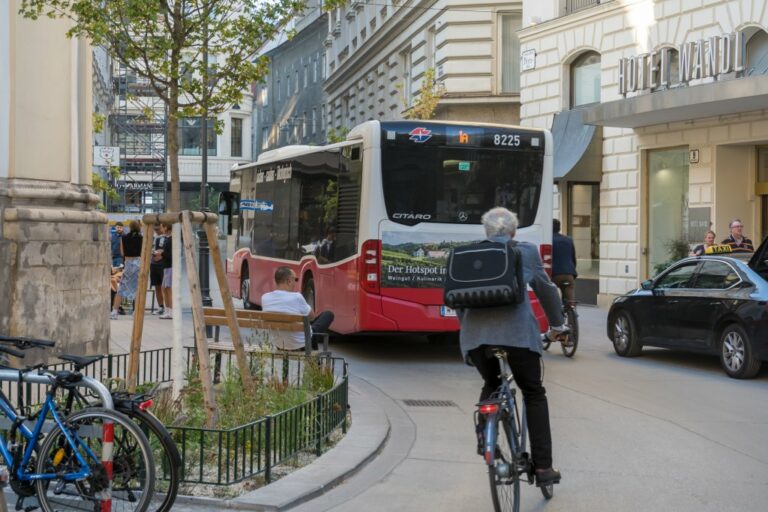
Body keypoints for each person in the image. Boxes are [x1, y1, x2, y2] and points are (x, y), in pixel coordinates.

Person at [458, 207, 566, 487]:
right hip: (518, 338)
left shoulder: (468, 253)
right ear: (514, 232)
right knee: (533, 393)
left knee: (491, 385)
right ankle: (543, 468)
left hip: (477, 339)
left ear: (486, 232)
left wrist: (469, 335)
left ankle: (486, 439)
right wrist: (557, 325)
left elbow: (458, 300)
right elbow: (547, 291)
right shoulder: (526, 251)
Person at [261, 266, 334, 351]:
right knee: (328, 314)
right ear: (289, 281)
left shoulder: (265, 298)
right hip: (301, 343)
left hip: (279, 343)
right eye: (295, 280)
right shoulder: (297, 297)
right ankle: (314, 362)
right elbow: (312, 317)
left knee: (308, 326)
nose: (295, 283)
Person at [111, 220, 143, 320]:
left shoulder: (124, 237)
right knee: (138, 288)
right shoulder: (142, 238)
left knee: (121, 288)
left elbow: (122, 252)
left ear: (129, 227)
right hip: (138, 263)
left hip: (128, 263)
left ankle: (114, 312)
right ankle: (136, 311)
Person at [551, 219, 577, 306]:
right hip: (569, 274)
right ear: (559, 228)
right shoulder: (569, 240)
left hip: (555, 275)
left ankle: (556, 310)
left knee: (550, 295)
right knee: (570, 300)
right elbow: (573, 258)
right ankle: (572, 313)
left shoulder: (549, 240)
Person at [150, 224, 167, 316]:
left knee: (164, 287)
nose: (157, 230)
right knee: (157, 286)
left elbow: (165, 251)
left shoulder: (167, 238)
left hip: (162, 264)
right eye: (155, 229)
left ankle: (167, 307)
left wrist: (160, 254)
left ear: (163, 227)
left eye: (158, 228)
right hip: (153, 264)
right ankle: (161, 306)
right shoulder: (154, 237)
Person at [159, 224, 174, 319]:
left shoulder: (171, 239)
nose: (161, 229)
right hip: (166, 266)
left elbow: (170, 254)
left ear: (166, 227)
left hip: (169, 266)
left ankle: (170, 311)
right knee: (164, 288)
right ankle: (167, 310)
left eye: (162, 227)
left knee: (168, 289)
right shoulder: (168, 238)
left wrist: (161, 253)